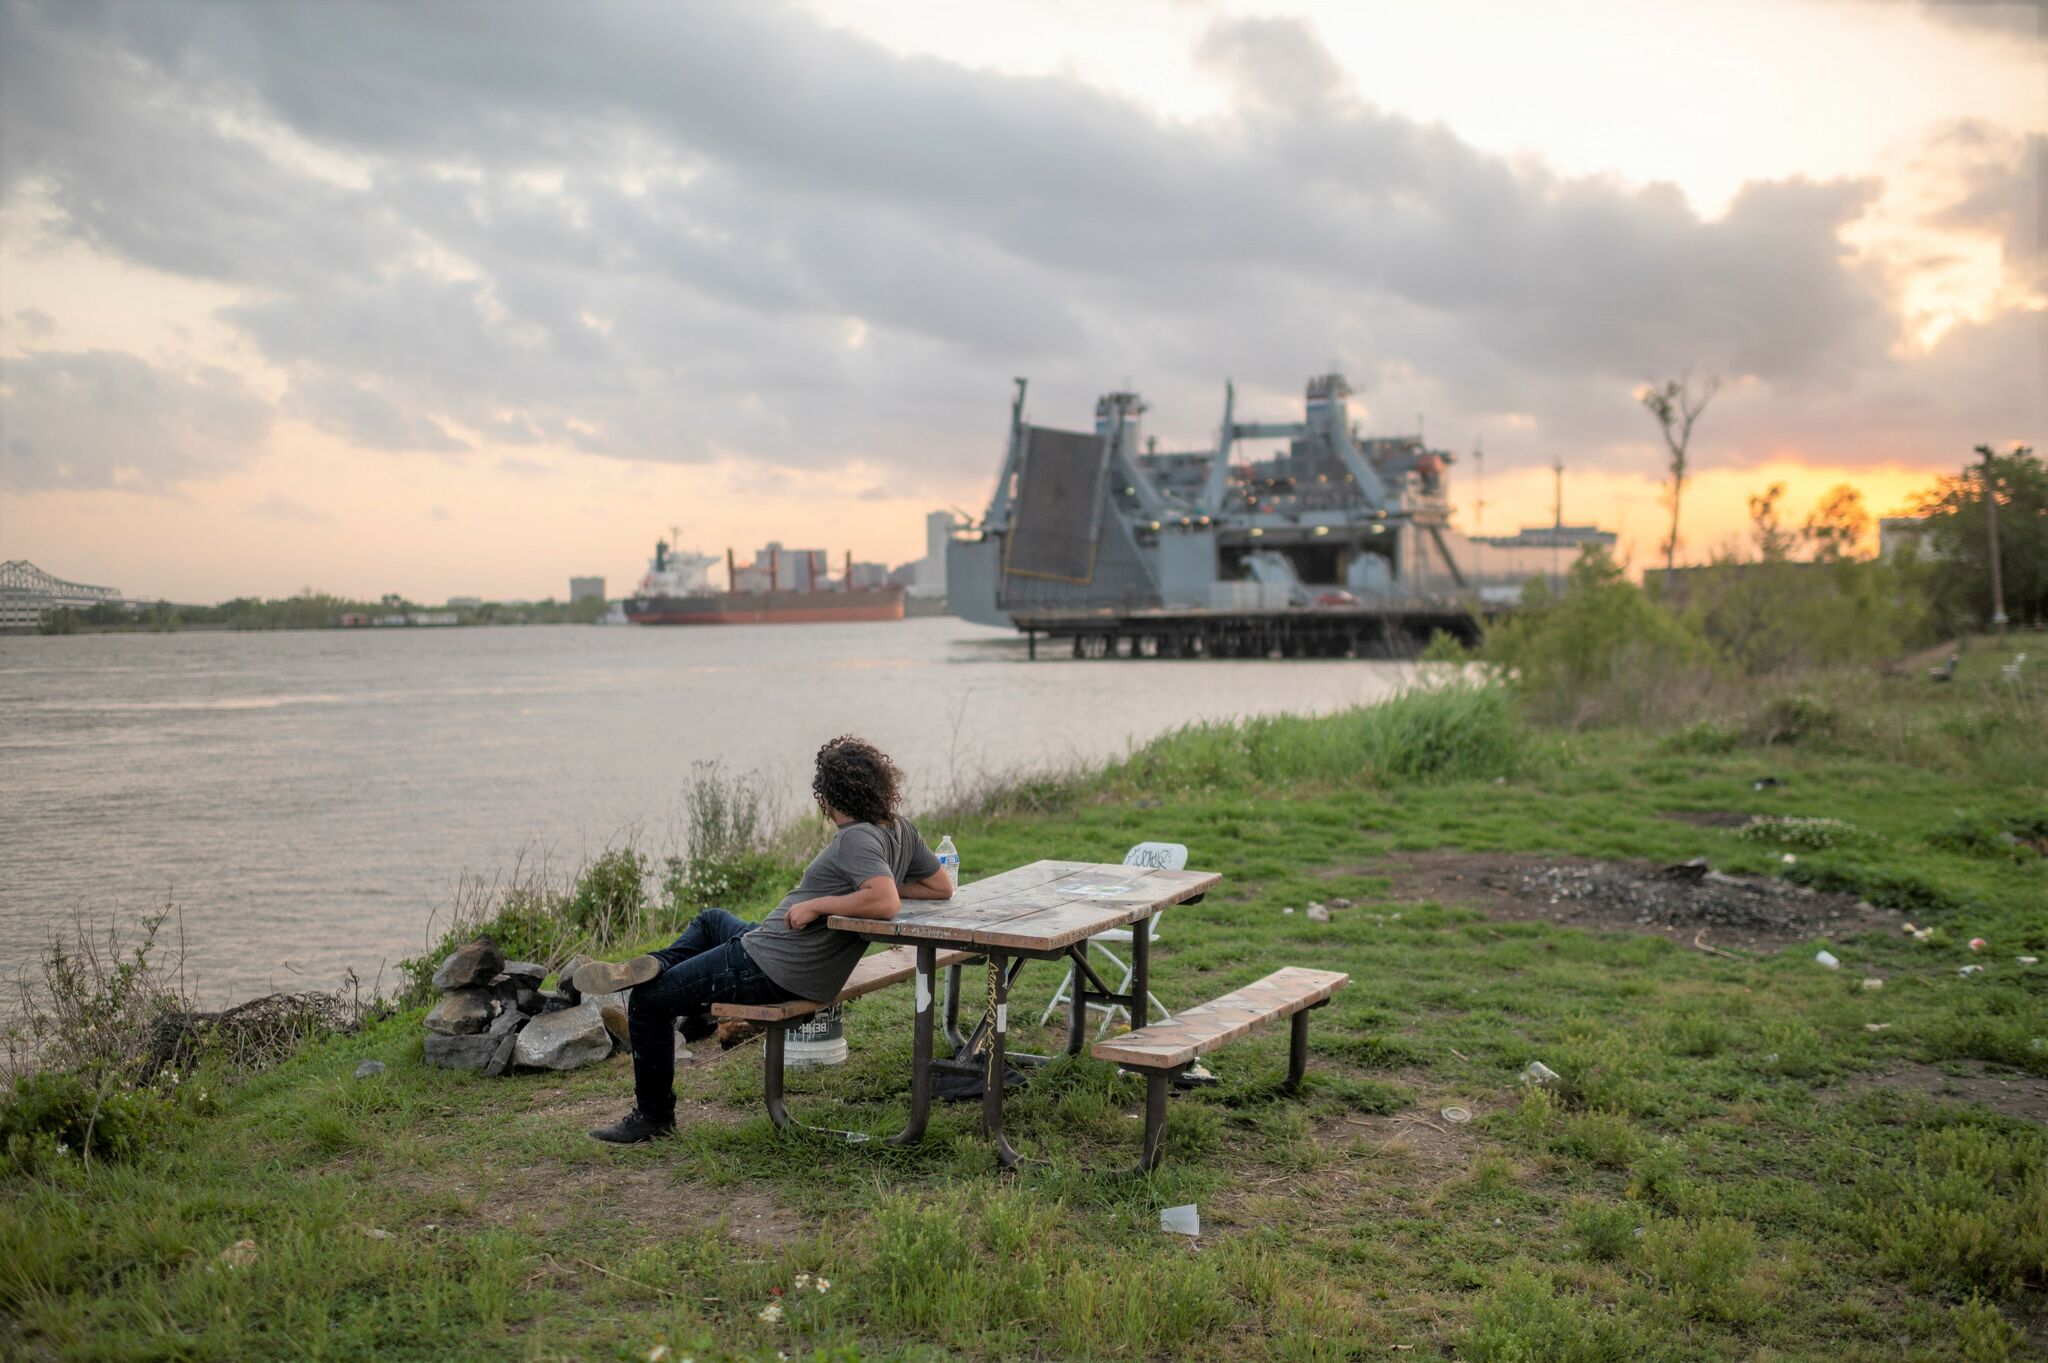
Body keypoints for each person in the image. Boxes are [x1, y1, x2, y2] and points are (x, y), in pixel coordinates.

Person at [577, 735, 953, 1143]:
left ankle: (653, 1118)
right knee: (711, 921)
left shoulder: (856, 838)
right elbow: (940, 886)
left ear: (827, 795)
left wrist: (819, 905)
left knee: (648, 1003)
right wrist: (884, 887)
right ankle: (657, 963)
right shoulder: (899, 829)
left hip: (770, 967)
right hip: (777, 948)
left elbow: (883, 900)